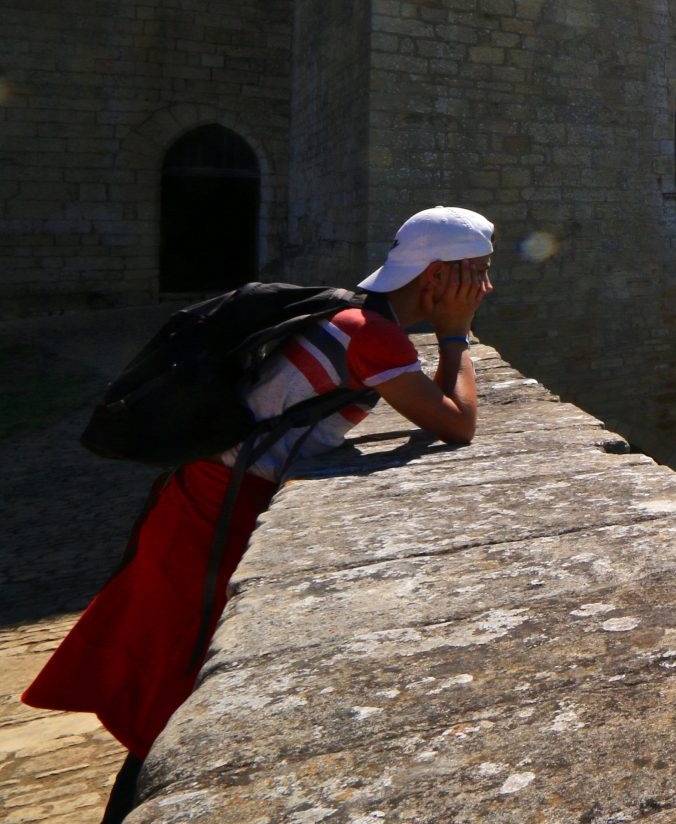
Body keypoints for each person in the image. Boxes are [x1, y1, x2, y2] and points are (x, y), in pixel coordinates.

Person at [21, 206, 496, 823]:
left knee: (176, 671)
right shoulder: (372, 334)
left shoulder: (350, 310)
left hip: (206, 493)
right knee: (176, 681)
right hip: (219, 511)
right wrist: (457, 332)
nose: (485, 289)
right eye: (477, 274)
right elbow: (457, 423)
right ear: (438, 278)